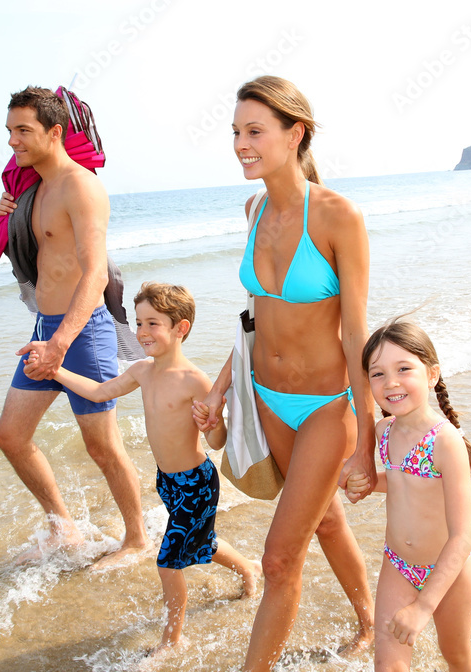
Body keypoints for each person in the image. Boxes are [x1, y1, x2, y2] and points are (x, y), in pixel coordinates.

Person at [195, 76, 376, 670]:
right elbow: (254, 320)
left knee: (277, 559)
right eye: (236, 133)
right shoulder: (253, 210)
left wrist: (367, 439)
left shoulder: (336, 216)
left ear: (295, 133)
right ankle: (370, 620)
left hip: (327, 405)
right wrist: (220, 389)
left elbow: (356, 334)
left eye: (255, 131)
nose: (242, 144)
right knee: (322, 519)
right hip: (266, 397)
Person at [24, 281, 261, 659]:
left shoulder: (194, 380)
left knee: (168, 562)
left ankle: (173, 639)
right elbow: (100, 392)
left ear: (180, 328)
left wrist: (209, 423)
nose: (142, 332)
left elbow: (216, 442)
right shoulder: (142, 371)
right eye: (138, 323)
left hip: (197, 484)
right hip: (168, 483)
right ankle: (248, 568)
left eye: (153, 323)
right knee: (201, 543)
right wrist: (55, 372)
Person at [0, 86, 147, 567]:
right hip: (47, 329)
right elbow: (39, 259)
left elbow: (94, 272)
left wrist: (60, 344)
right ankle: (65, 528)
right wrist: (4, 222)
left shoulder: (81, 186)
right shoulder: (29, 189)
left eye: (24, 130)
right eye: (10, 131)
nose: (13, 141)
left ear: (54, 132)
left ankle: (138, 539)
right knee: (10, 437)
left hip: (81, 334)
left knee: (102, 447)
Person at [345, 318, 471, 672]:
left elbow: (463, 535)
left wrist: (424, 606)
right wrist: (361, 483)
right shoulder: (384, 431)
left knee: (455, 654)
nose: (390, 382)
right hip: (397, 565)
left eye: (404, 369)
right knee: (389, 665)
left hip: (447, 571)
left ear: (432, 374)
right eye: (377, 374)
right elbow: (398, 480)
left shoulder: (445, 442)